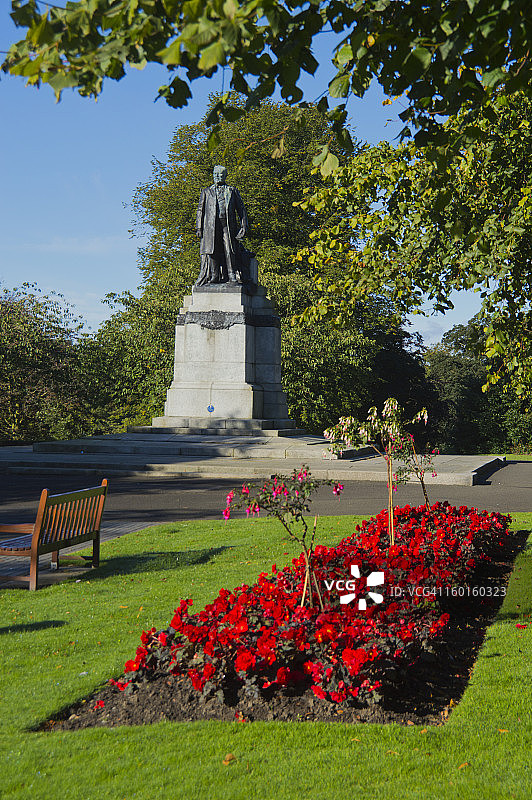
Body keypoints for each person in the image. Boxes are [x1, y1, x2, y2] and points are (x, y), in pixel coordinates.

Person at [195, 166, 251, 286]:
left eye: (220, 174)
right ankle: (214, 275)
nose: (217, 176)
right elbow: (200, 210)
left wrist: (244, 226)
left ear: (225, 176)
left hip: (228, 224)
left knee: (229, 249)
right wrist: (199, 227)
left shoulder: (232, 190)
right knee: (212, 249)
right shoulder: (206, 191)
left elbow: (241, 209)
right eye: (215, 174)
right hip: (211, 226)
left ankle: (231, 275)